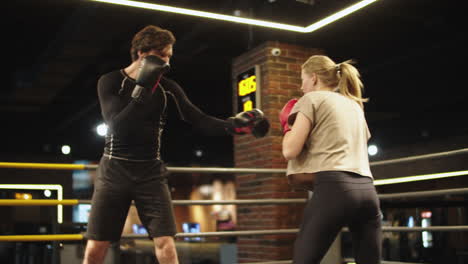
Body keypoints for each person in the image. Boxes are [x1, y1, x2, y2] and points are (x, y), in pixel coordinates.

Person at [83, 25, 269, 264]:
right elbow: (117, 125)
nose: (167, 62)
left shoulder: (168, 88)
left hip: (150, 173)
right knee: (96, 247)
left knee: (166, 243)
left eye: (169, 56)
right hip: (113, 171)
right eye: (162, 56)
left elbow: (199, 120)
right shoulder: (110, 81)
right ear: (142, 53)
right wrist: (142, 89)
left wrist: (234, 126)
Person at [279, 55, 381, 264]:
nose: (301, 87)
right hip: (368, 192)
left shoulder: (311, 99)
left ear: (314, 78)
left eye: (303, 80)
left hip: (335, 189)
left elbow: (290, 150)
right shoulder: (354, 106)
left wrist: (287, 127)